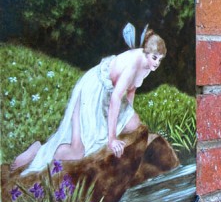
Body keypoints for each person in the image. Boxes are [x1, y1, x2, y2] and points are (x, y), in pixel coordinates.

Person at [11, 26, 166, 175]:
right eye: (154, 58)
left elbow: (131, 89)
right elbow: (116, 98)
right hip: (94, 92)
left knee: (133, 123)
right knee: (78, 151)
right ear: (146, 53)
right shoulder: (134, 64)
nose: (157, 63)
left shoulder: (147, 65)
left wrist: (126, 114)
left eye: (160, 59)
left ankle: (106, 129)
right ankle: (38, 150)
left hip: (108, 93)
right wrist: (112, 139)